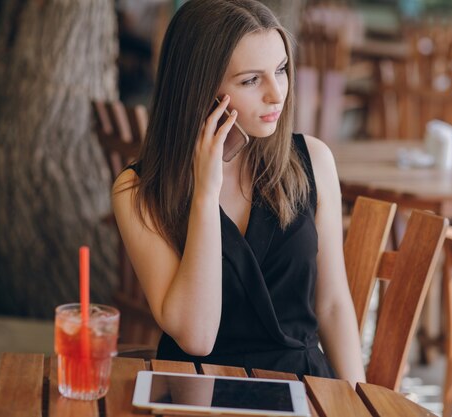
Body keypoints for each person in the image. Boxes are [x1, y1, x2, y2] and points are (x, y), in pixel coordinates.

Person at [113, 0, 365, 384]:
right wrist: (204, 192)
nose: (276, 94)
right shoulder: (139, 189)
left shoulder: (312, 160)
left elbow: (331, 306)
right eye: (251, 80)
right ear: (199, 88)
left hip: (303, 387)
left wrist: (357, 400)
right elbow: (196, 337)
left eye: (280, 70)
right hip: (196, 390)